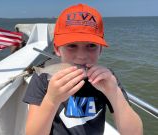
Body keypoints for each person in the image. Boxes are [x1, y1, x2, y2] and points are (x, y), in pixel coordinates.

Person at [23, 3, 143, 135]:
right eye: (72, 46)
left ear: (100, 50)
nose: (81, 56)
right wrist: (52, 100)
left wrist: (114, 92)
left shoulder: (107, 79)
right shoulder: (43, 78)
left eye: (91, 45)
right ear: (57, 49)